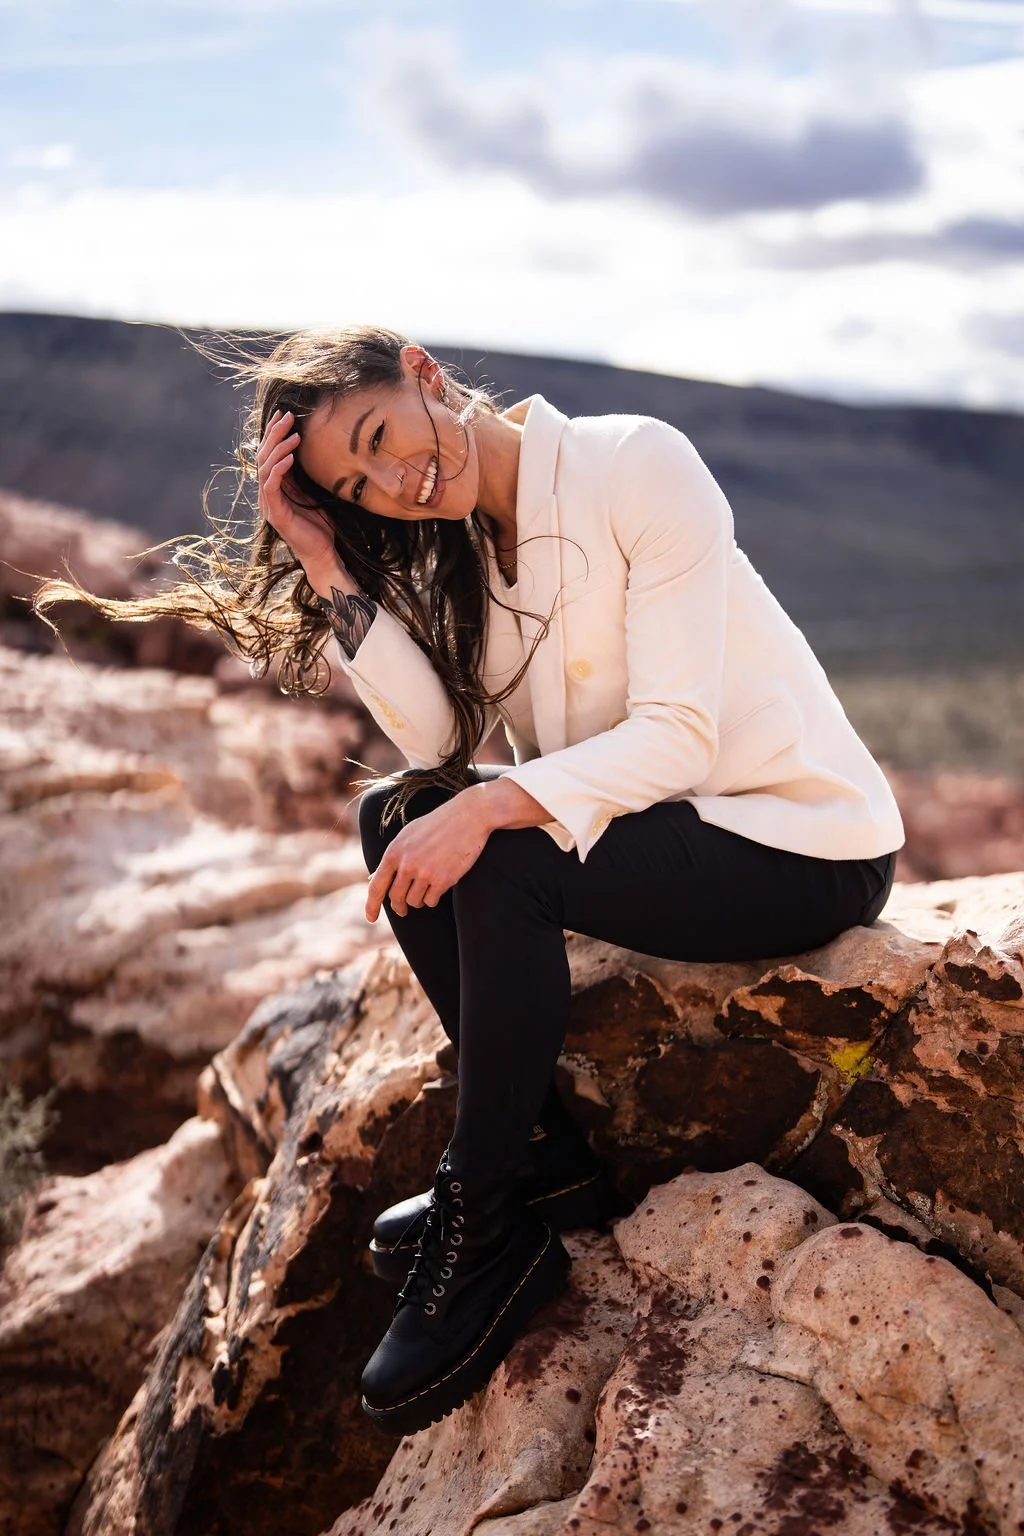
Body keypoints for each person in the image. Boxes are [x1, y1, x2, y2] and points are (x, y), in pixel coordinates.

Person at [33, 323, 904, 1441]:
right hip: (671, 828)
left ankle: (484, 1226)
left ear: (424, 373)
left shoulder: (634, 461)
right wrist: (324, 559)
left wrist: (492, 807)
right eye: (359, 485)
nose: (396, 482)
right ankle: (539, 1161)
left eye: (380, 437)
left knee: (497, 855)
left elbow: (679, 736)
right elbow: (436, 740)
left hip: (801, 840)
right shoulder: (458, 545)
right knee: (394, 815)